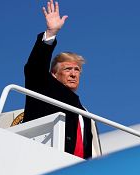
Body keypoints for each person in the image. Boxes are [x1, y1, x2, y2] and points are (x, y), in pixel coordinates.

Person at [22, 0, 95, 159]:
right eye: (68, 69)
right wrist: (50, 33)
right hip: (45, 160)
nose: (74, 74)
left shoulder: (83, 111)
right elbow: (34, 68)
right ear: (54, 74)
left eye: (77, 70)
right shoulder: (44, 87)